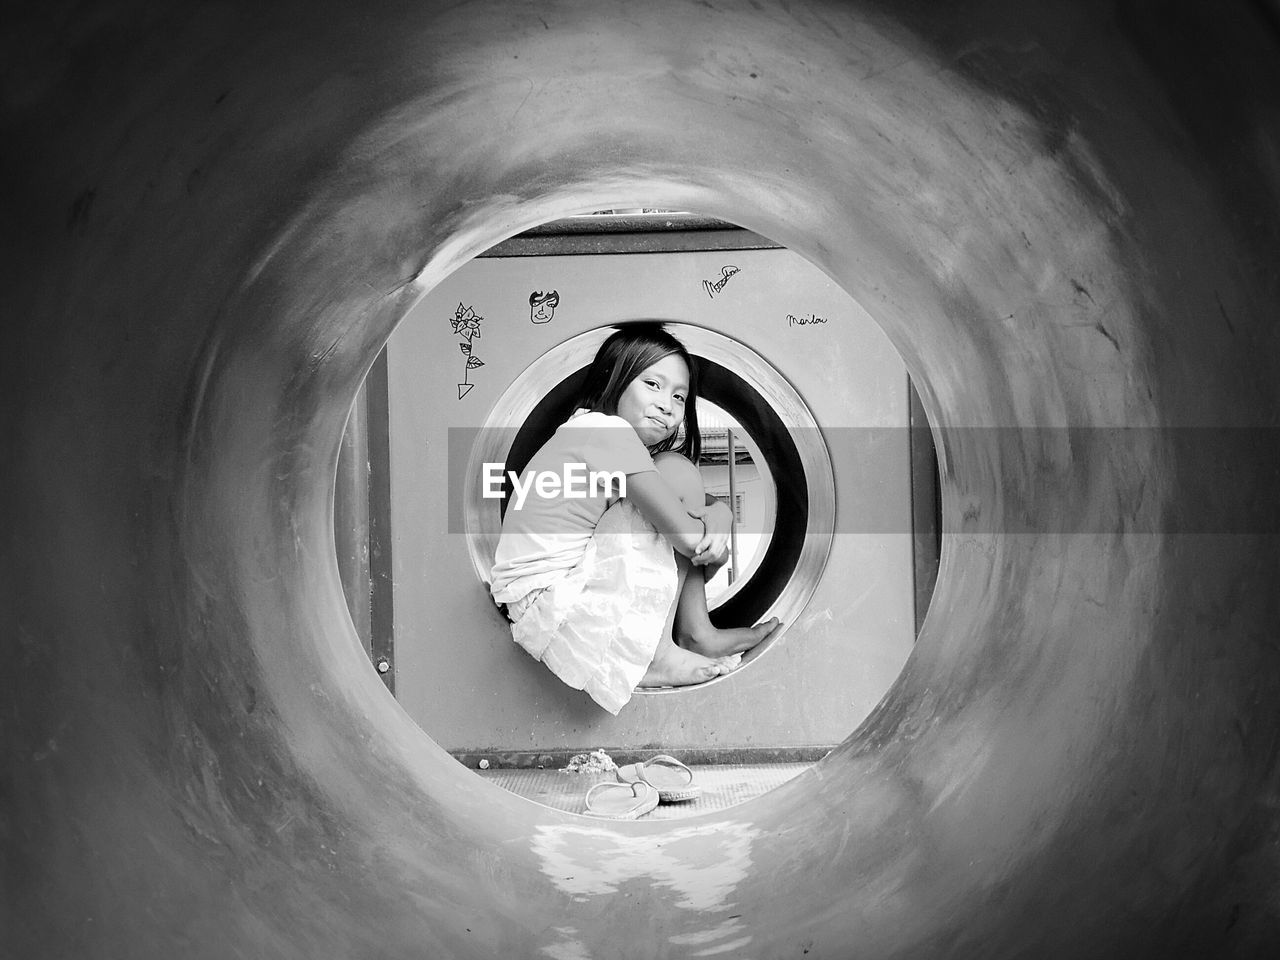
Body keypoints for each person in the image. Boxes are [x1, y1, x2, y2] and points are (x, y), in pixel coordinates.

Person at [488, 323, 780, 714]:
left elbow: (694, 509)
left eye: (680, 396)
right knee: (674, 469)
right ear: (615, 379)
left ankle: (698, 632)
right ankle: (663, 652)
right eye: (652, 385)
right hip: (553, 607)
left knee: (673, 474)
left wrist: (721, 514)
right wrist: (714, 527)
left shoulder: (589, 431)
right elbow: (690, 538)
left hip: (541, 601)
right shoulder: (606, 432)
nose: (668, 405)